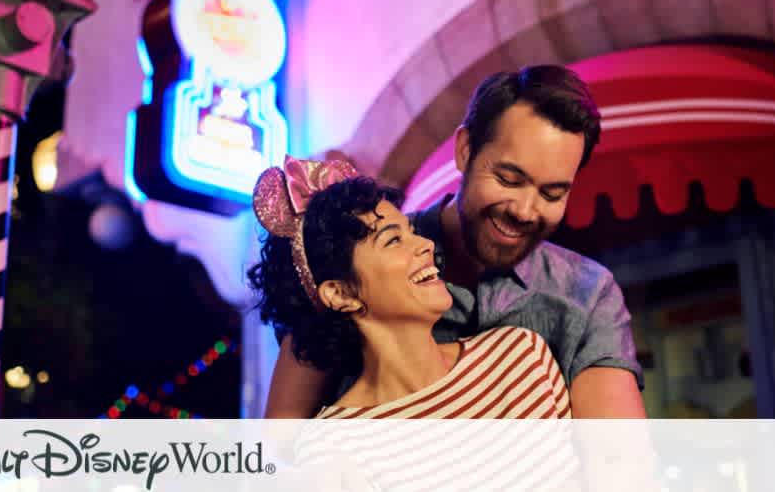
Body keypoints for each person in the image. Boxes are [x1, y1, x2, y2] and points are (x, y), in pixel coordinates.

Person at [264, 65, 645, 419]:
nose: (526, 211)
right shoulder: (360, 259)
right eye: (509, 179)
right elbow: (282, 443)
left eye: (551, 194)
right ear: (465, 150)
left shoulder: (584, 293)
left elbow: (617, 462)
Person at [247, 158, 571, 420]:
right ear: (340, 294)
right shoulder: (334, 449)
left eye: (412, 231)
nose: (427, 244)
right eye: (393, 239)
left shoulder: (522, 356)